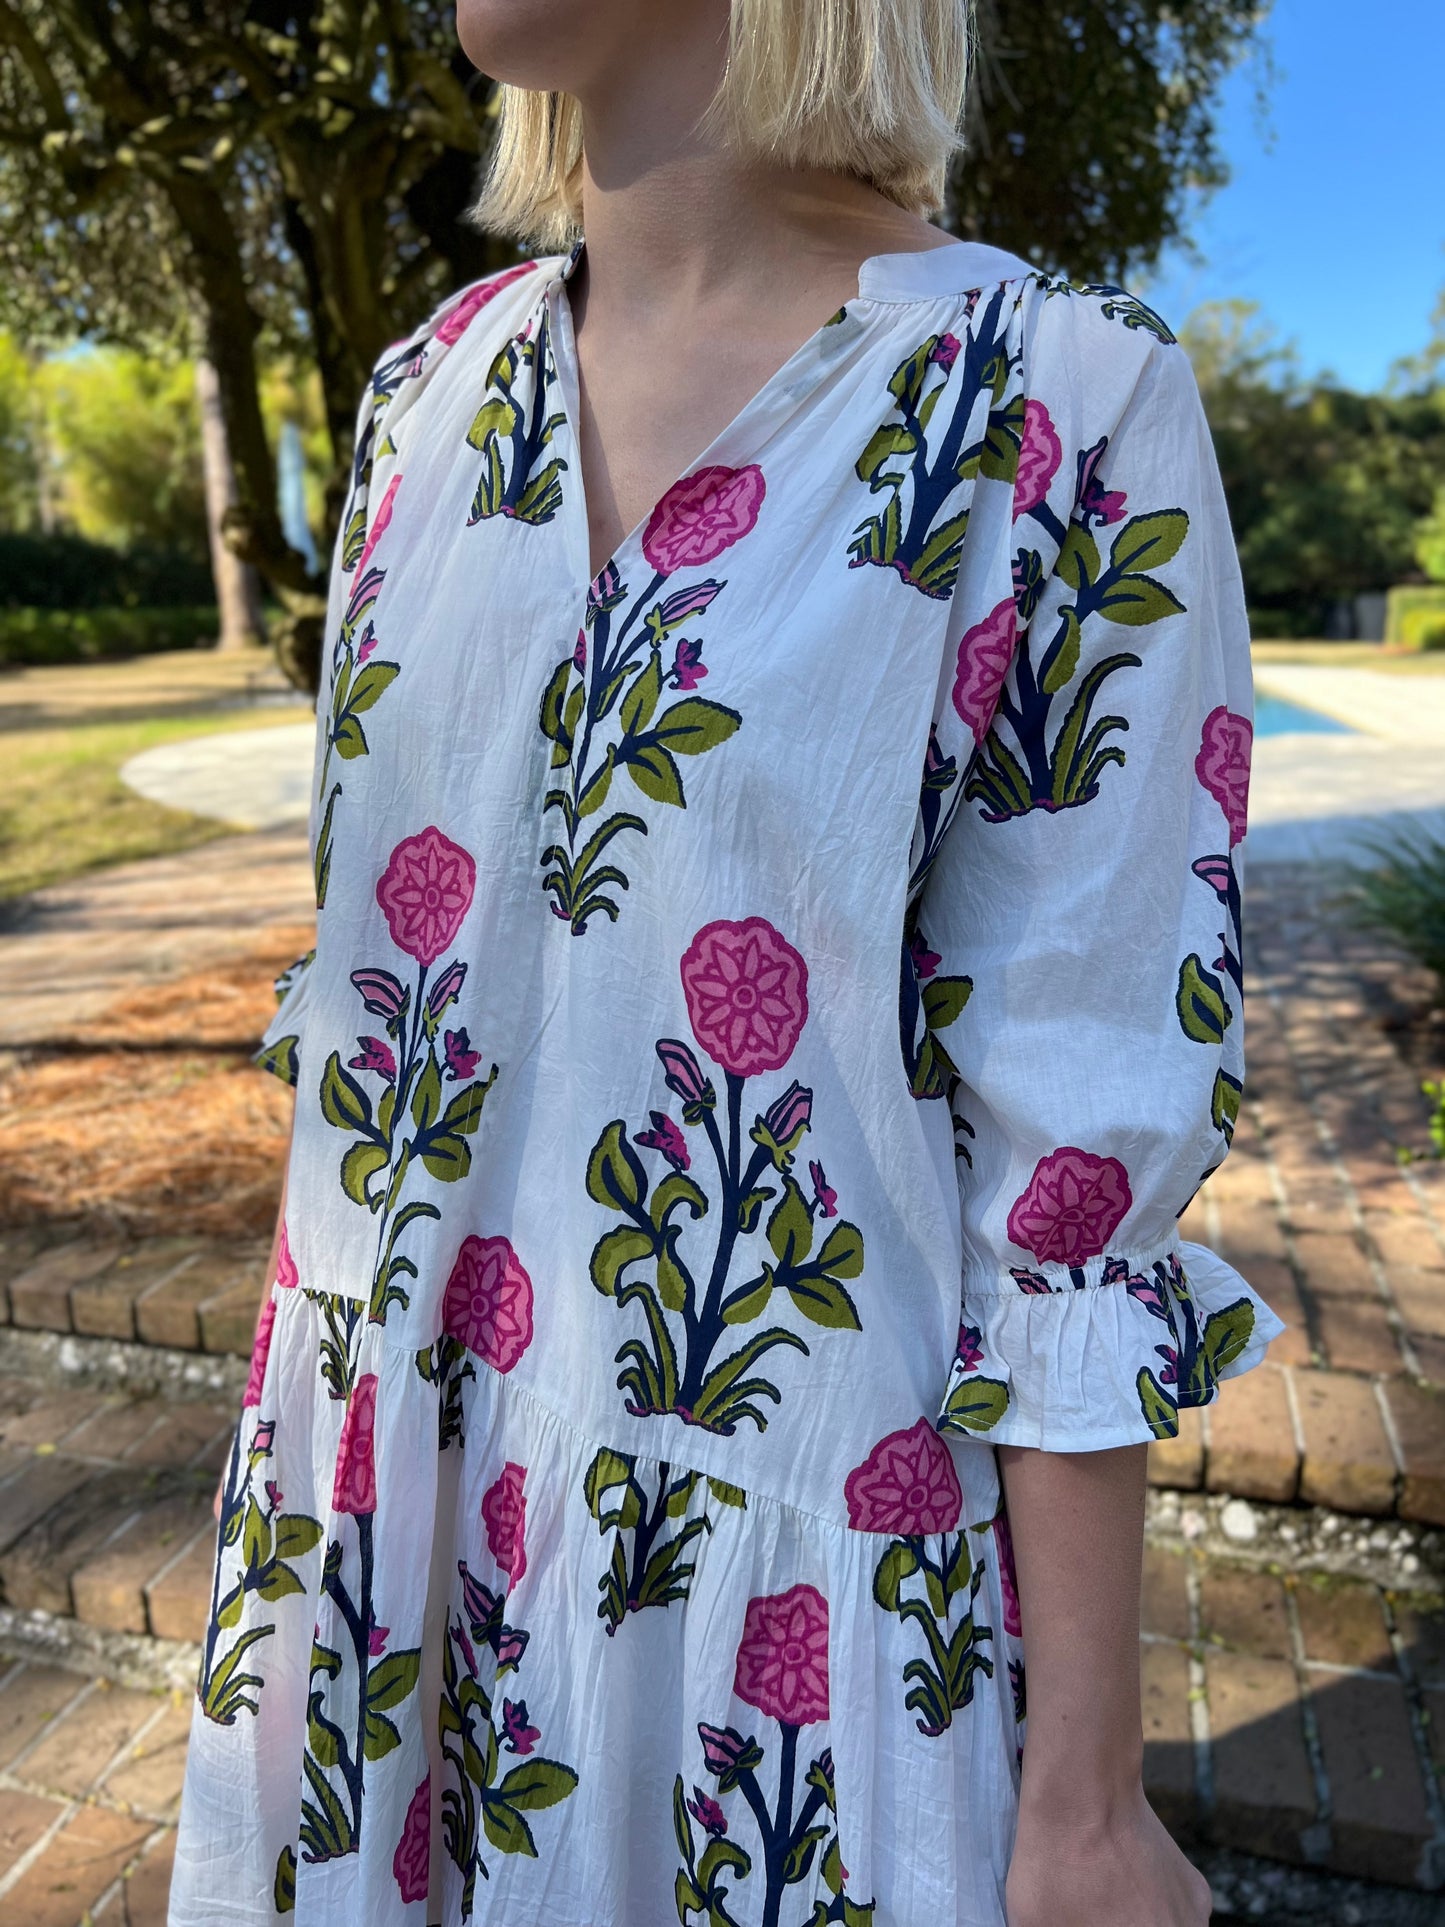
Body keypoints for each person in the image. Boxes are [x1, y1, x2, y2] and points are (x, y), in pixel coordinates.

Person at [170, 2, 1282, 1922]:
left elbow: (1077, 1156)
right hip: (379, 1586)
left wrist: (1083, 1801)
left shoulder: (1055, 397)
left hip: (795, 1644)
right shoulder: (422, 397)